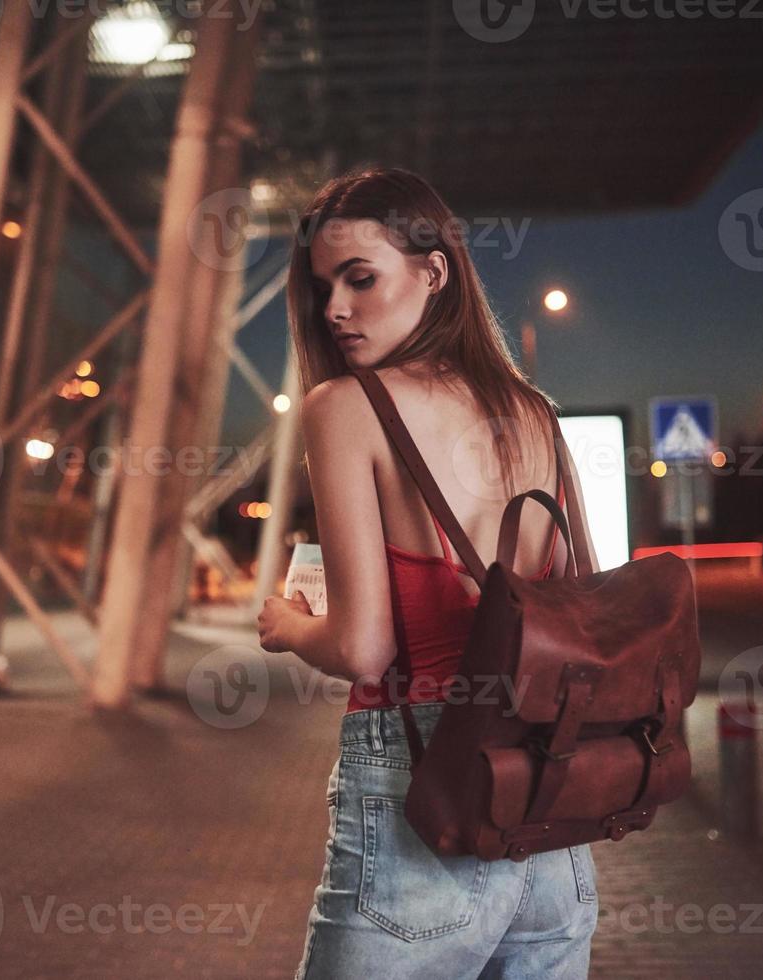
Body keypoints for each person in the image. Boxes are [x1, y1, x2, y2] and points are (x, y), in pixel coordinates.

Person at [257, 168, 601, 978]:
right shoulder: (534, 412)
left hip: (419, 791)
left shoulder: (345, 407)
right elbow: (579, 597)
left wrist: (288, 626)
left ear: (433, 271)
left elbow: (363, 648)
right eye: (323, 287)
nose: (335, 308)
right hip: (549, 820)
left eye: (359, 277)